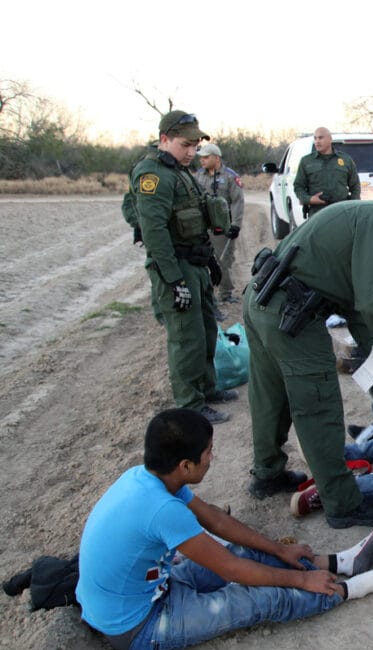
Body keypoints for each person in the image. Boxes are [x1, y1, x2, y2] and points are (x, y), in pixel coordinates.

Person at [76, 409, 373, 650]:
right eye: (207, 453)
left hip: (156, 588)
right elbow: (230, 571)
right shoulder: (162, 509)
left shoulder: (149, 477)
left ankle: (335, 564)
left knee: (251, 553)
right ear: (185, 466)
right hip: (139, 625)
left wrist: (279, 549)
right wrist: (300, 580)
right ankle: (349, 588)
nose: (212, 458)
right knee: (254, 600)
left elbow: (216, 521)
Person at [243, 199, 373, 529]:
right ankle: (342, 504)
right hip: (292, 316)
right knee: (319, 409)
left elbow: (359, 316)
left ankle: (267, 473)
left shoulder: (369, 218)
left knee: (271, 396)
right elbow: (372, 300)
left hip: (264, 303)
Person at [130, 110, 234, 425]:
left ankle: (207, 388)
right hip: (176, 266)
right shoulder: (153, 175)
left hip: (196, 262)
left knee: (205, 329)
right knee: (186, 337)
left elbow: (196, 218)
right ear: (164, 139)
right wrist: (175, 282)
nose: (192, 152)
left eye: (195, 146)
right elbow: (155, 234)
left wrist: (211, 262)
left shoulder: (179, 170)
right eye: (185, 145)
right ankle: (190, 403)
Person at [194, 142, 244, 304]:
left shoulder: (230, 176)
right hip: (202, 226)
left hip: (222, 227)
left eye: (206, 157)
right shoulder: (198, 176)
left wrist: (235, 224)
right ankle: (206, 293)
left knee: (223, 259)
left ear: (216, 158)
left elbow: (237, 202)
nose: (202, 160)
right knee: (201, 258)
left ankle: (225, 293)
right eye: (201, 157)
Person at [293, 126, 360, 218]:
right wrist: (310, 199)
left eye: (321, 138)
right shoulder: (306, 161)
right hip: (317, 213)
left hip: (342, 212)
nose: (317, 141)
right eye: (315, 138)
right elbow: (298, 186)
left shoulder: (345, 160)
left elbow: (355, 185)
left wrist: (353, 205)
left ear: (330, 139)